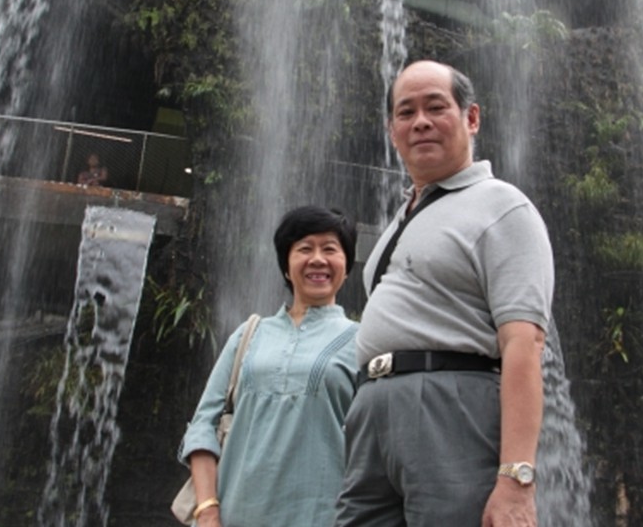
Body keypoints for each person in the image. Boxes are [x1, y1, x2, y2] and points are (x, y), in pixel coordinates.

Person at [334, 60, 554, 527]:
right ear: (392, 131)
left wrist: (516, 478)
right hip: (372, 411)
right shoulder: (403, 218)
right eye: (405, 112)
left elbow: (525, 342)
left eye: (436, 107)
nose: (420, 122)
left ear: (471, 118)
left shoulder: (503, 206)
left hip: (449, 405)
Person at [179, 206, 360, 527]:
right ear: (286, 267)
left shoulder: (364, 341)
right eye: (305, 248)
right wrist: (207, 510)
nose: (318, 259)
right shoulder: (249, 334)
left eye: (330, 249)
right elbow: (203, 426)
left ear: (346, 267)